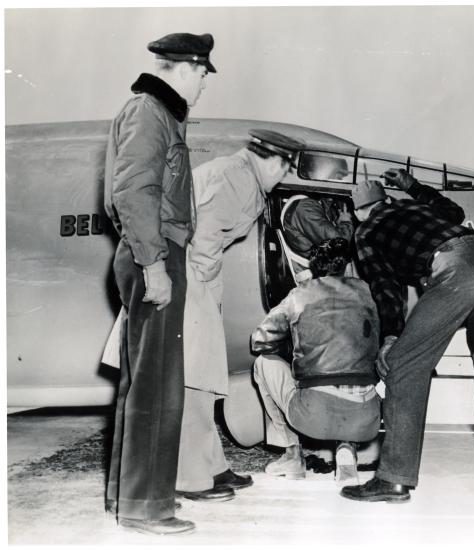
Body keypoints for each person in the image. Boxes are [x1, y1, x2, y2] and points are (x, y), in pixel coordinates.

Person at [340, 173, 474, 503]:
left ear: (357, 211)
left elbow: (385, 288)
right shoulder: (414, 207)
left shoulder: (365, 231)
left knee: (403, 366)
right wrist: (412, 185)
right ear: (385, 200)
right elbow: (453, 210)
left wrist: (391, 336)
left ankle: (393, 479)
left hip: (456, 269)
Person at [103, 32, 215, 535]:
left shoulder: (157, 113)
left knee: (143, 381)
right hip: (155, 254)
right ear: (185, 68)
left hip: (157, 251)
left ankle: (128, 499)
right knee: (158, 386)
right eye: (203, 75)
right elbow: (134, 191)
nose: (204, 86)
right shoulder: (150, 112)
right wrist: (153, 266)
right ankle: (146, 508)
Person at [176, 130, 305, 500]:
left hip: (194, 284)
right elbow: (204, 241)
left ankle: (212, 468)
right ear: (276, 162)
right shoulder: (235, 177)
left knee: (204, 382)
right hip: (190, 285)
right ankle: (192, 479)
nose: (281, 179)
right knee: (194, 383)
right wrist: (203, 294)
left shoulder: (236, 174)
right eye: (283, 170)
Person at [250, 238, 382, 486]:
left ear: (313, 268)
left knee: (263, 363)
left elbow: (260, 341)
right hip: (367, 419)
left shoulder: (299, 295)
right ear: (346, 266)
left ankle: (292, 455)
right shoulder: (367, 291)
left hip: (314, 416)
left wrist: (297, 350)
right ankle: (346, 450)